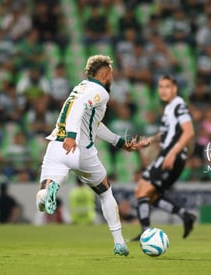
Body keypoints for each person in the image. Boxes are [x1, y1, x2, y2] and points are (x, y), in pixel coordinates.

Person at [35, 55, 138, 256]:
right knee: (105, 192)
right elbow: (79, 106)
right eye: (111, 74)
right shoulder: (100, 92)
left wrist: (118, 141)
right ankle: (119, 243)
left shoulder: (79, 87)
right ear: (105, 75)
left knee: (44, 189)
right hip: (80, 151)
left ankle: (46, 194)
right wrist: (72, 137)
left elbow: (93, 124)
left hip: (56, 146)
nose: (112, 78)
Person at [132, 75, 196, 241]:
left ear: (174, 88)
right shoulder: (169, 108)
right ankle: (185, 215)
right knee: (151, 196)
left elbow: (189, 131)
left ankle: (146, 233)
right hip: (169, 155)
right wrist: (150, 140)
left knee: (142, 191)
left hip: (170, 156)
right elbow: (167, 133)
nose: (163, 90)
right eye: (160, 87)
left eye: (167, 86)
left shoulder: (178, 105)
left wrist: (172, 154)